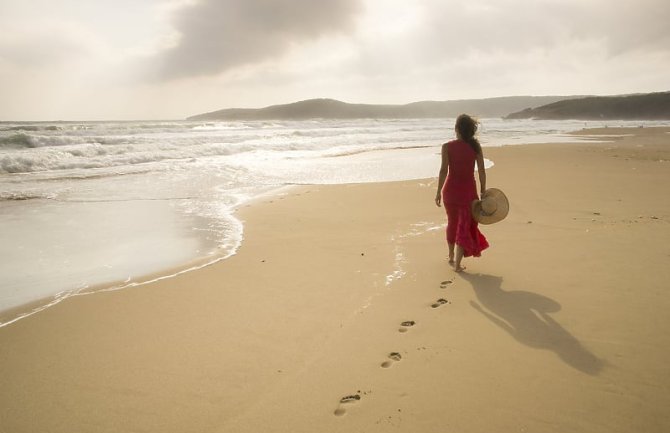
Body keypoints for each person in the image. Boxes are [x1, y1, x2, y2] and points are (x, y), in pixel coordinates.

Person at [435, 114, 489, 272]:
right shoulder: (475, 147)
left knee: (452, 223)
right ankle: (457, 264)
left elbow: (443, 170)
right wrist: (483, 190)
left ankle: (451, 255)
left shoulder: (447, 147)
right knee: (464, 226)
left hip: (450, 192)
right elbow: (481, 171)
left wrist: (438, 191)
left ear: (456, 129)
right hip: (468, 193)